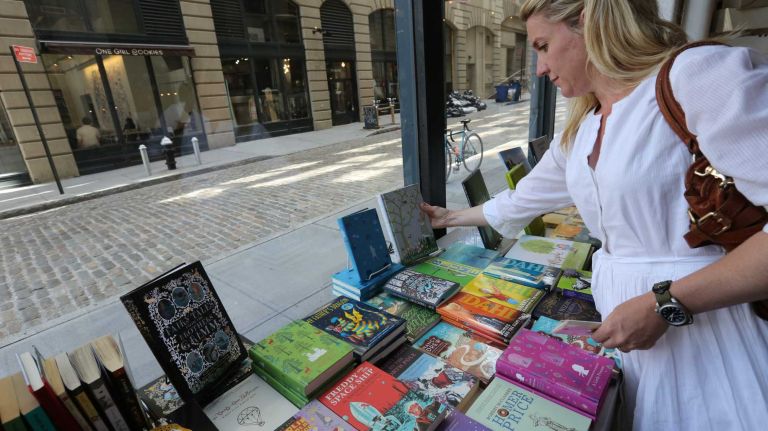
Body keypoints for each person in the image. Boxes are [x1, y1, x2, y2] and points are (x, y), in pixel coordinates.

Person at [420, 1, 768, 429]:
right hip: (635, 334)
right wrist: (447, 218)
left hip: (711, 330)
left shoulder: (693, 75)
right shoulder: (584, 127)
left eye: (544, 46)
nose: (540, 68)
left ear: (587, 22)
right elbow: (518, 202)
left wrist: (666, 304)